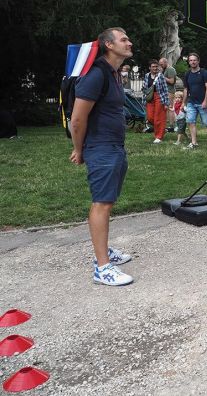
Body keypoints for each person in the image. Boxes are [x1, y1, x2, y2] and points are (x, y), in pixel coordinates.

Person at [70, 27, 134, 286]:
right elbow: (77, 119)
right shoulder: (96, 75)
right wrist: (79, 149)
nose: (129, 42)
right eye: (123, 39)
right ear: (108, 44)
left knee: (108, 201)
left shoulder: (113, 73)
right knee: (102, 203)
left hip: (114, 147)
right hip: (101, 148)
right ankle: (102, 268)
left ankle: (104, 251)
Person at [182, 52, 207, 149]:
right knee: (190, 121)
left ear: (198, 61)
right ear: (189, 62)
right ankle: (194, 143)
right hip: (191, 102)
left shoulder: (204, 73)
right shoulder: (187, 74)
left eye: (194, 60)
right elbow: (186, 89)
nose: (193, 62)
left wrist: (205, 101)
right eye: (190, 60)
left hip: (203, 102)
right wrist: (183, 103)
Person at [143, 59, 169, 144]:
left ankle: (158, 136)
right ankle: (162, 129)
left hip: (159, 97)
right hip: (150, 98)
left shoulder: (160, 76)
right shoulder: (147, 75)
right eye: (153, 67)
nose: (155, 68)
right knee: (150, 117)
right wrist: (144, 99)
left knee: (159, 117)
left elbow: (165, 89)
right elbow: (145, 88)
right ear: (149, 68)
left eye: (156, 66)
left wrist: (166, 103)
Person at [159, 57, 177, 132]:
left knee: (170, 108)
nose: (161, 65)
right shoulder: (165, 69)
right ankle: (167, 124)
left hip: (170, 91)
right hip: (165, 91)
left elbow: (172, 81)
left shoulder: (170, 69)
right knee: (166, 108)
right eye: (160, 64)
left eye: (162, 64)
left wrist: (162, 76)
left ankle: (172, 126)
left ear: (166, 62)